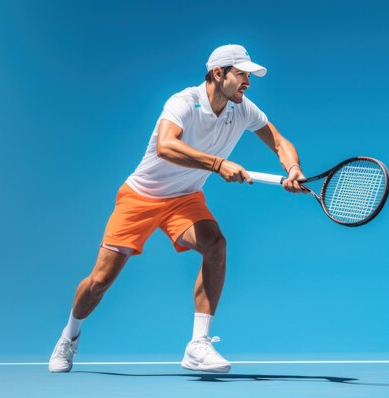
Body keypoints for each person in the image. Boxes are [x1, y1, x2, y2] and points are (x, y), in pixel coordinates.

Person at [49, 44, 305, 374]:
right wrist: (218, 164)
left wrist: (293, 167)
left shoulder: (243, 110)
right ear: (218, 73)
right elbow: (166, 146)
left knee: (216, 244)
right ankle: (69, 336)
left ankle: (198, 344)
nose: (248, 82)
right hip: (140, 197)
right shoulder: (183, 101)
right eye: (242, 74)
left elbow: (280, 142)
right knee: (100, 281)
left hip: (184, 198)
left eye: (248, 76)